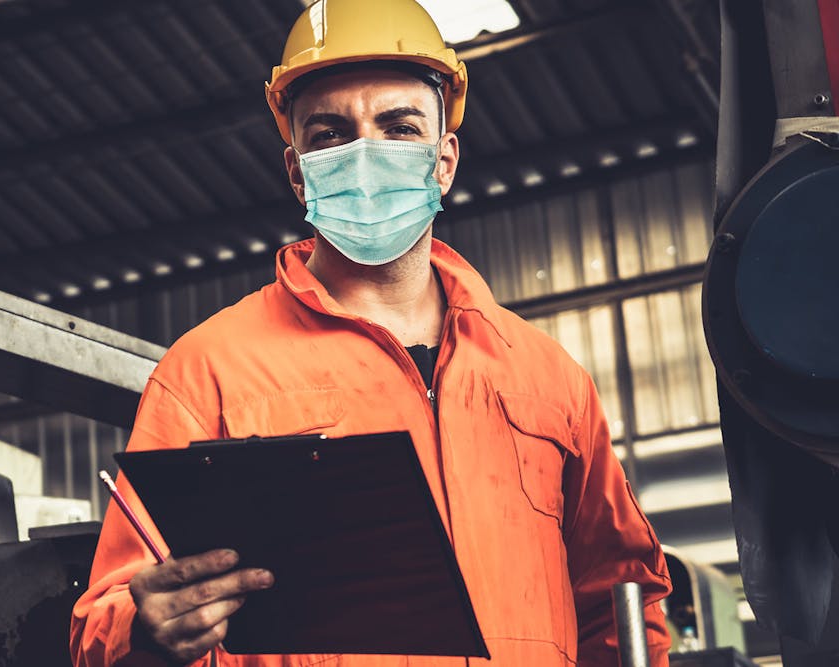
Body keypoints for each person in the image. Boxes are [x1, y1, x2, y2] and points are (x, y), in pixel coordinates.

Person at [70, 0, 672, 665]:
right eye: (330, 134)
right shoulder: (208, 372)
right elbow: (106, 615)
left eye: (399, 127)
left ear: (444, 161)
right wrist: (141, 631)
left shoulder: (549, 380)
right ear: (297, 171)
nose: (365, 155)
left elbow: (621, 603)